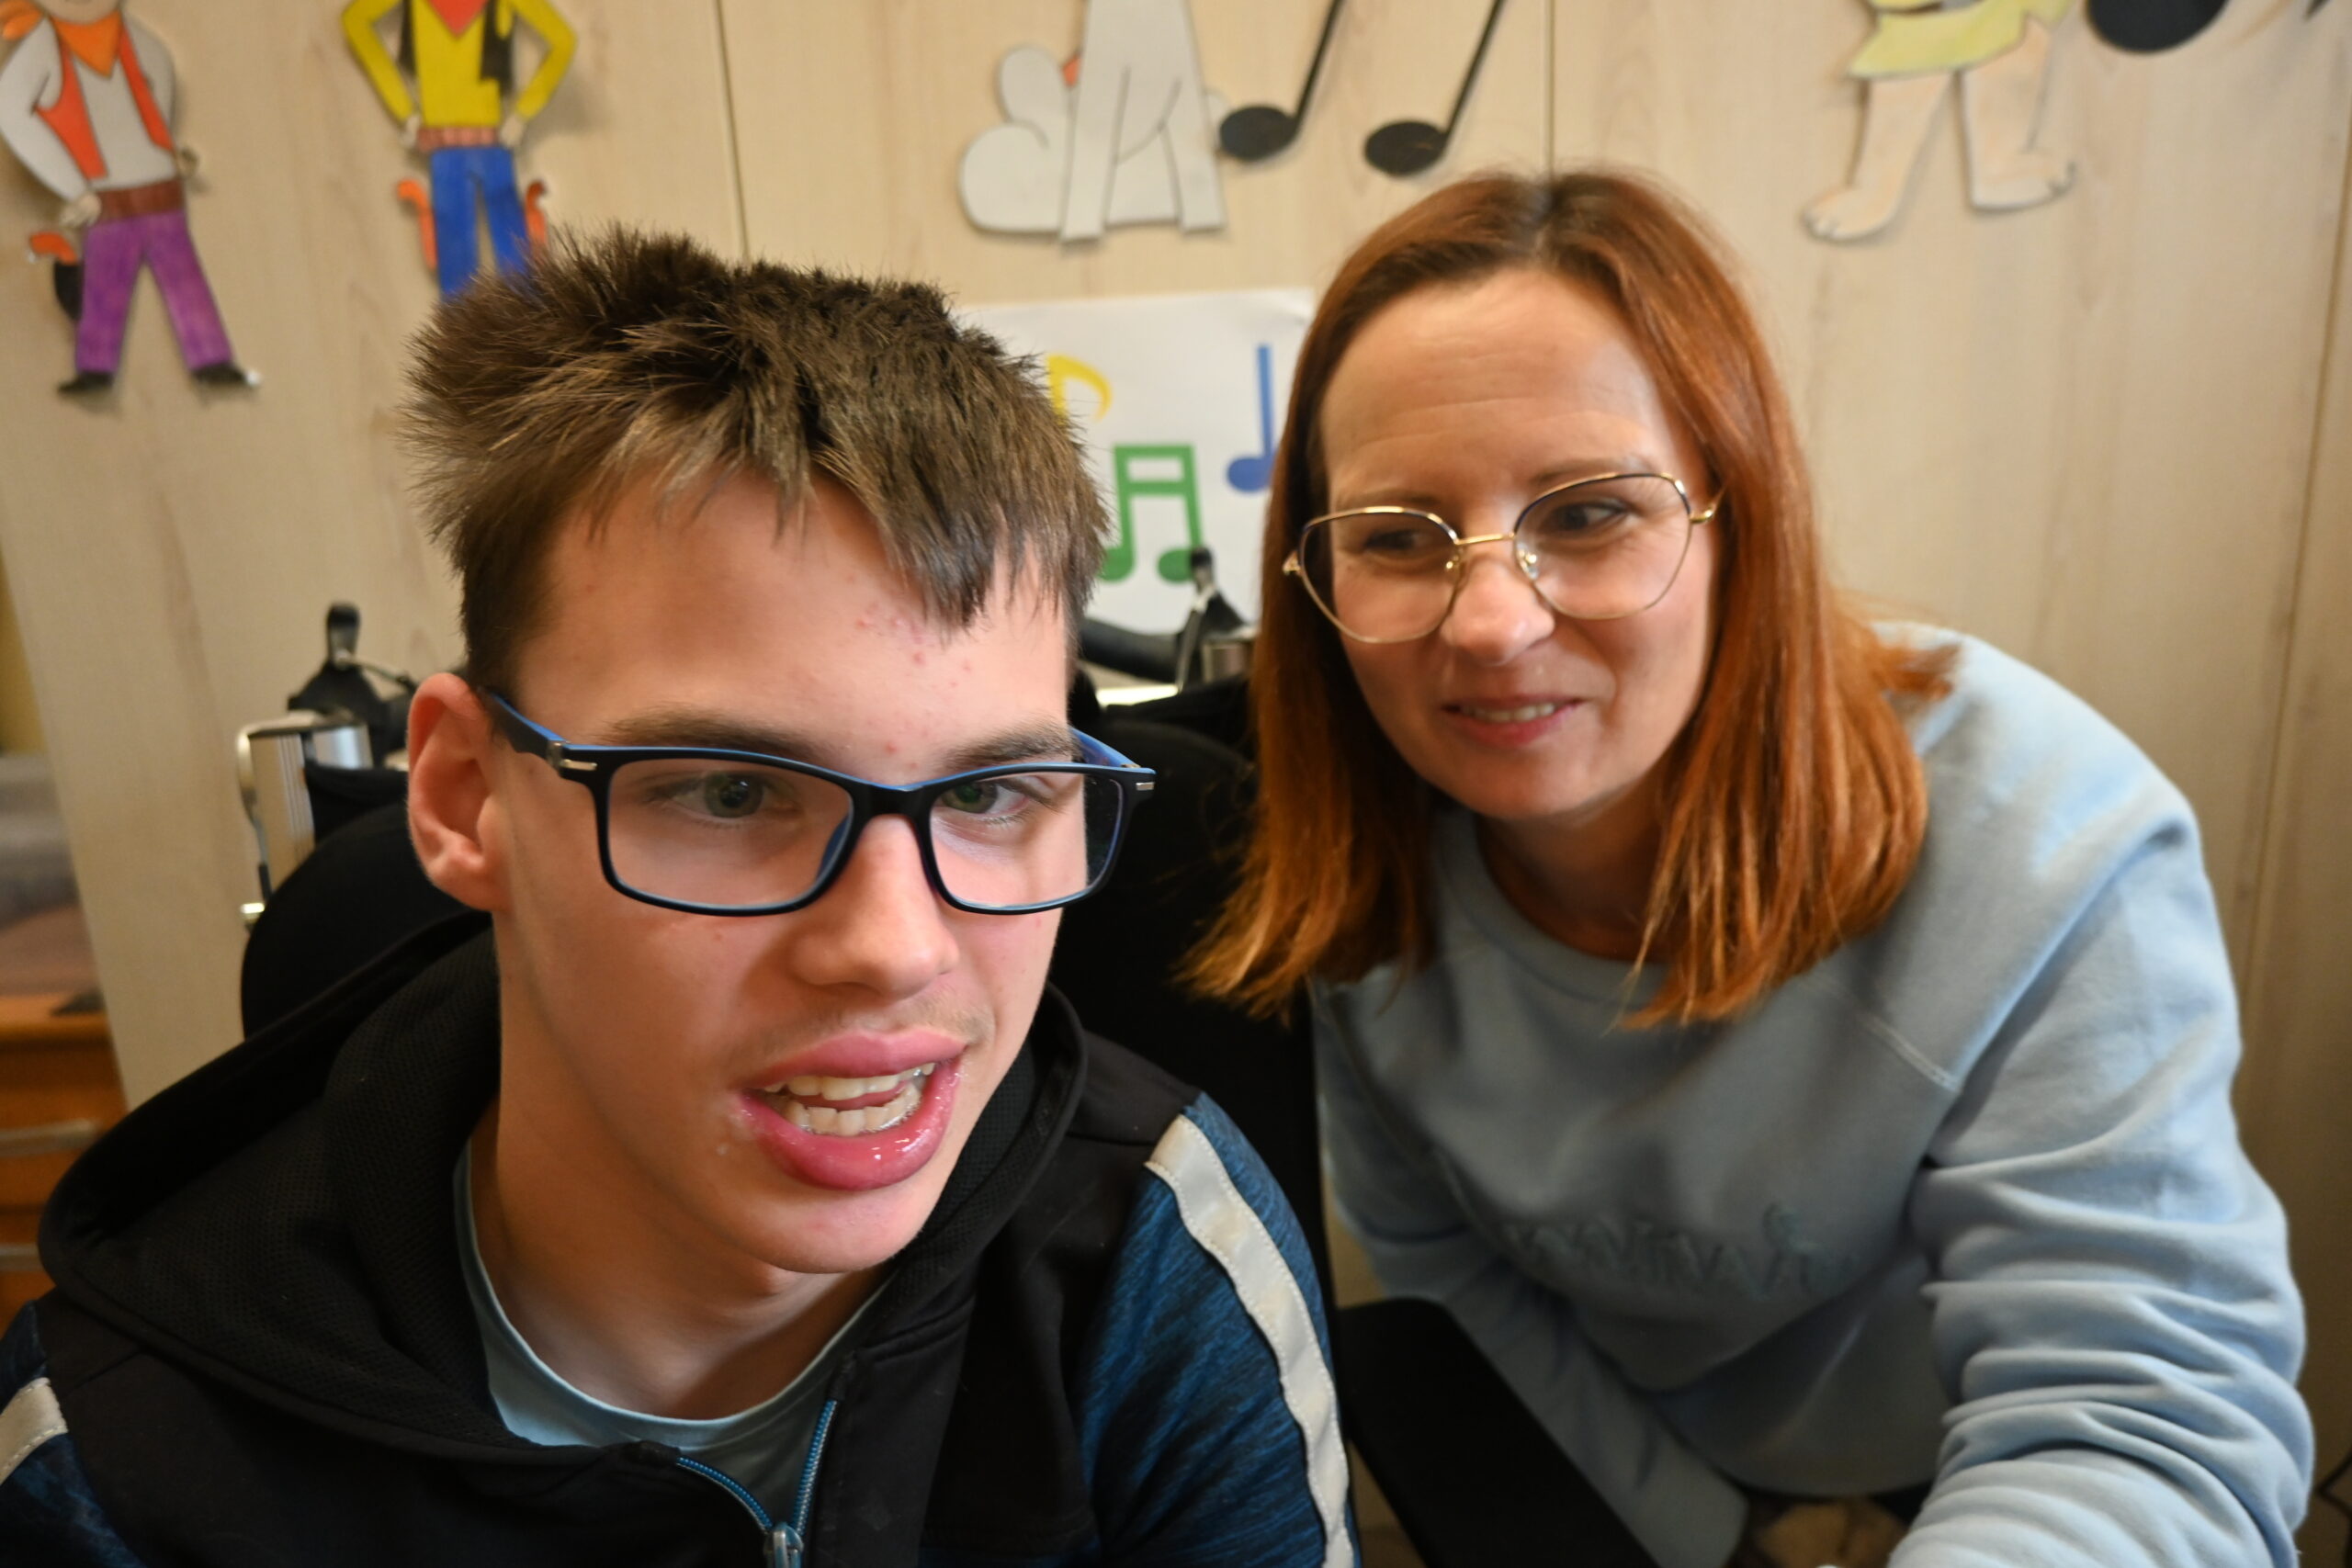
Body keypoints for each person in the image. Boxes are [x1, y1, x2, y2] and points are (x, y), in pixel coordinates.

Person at [0, 230, 1351, 1567]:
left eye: (990, 792)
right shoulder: (122, 1464)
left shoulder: (1161, 1257)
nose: (893, 949)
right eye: (731, 793)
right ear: (467, 797)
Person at [1188, 170, 2310, 1568]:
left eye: (1588, 515)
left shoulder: (2047, 841)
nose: (1489, 623)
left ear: (1741, 518)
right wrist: (1718, 1546)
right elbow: (1456, 1289)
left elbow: (2146, 1427)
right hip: (1644, 1488)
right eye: (1399, 541)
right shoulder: (1349, 858)